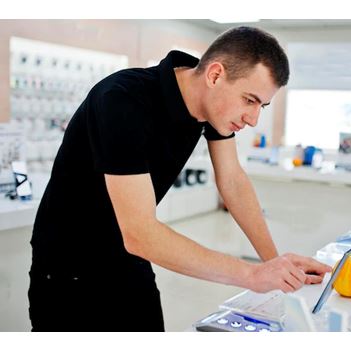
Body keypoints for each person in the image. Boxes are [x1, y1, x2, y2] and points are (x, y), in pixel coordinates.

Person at [28, 26, 331, 332]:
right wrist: (252, 276)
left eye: (261, 106)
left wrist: (274, 264)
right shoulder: (121, 100)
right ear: (214, 75)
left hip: (128, 259)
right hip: (70, 268)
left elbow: (232, 180)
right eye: (249, 100)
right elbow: (140, 233)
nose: (253, 119)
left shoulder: (213, 106)